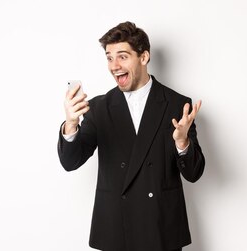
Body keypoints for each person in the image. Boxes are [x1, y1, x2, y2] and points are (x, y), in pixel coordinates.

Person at [57, 21, 205, 251]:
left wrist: (182, 142)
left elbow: (194, 174)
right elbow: (70, 161)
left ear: (144, 57)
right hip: (116, 231)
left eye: (122, 56)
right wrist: (71, 124)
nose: (114, 66)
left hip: (161, 231)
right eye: (109, 57)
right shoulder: (98, 108)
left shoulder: (178, 105)